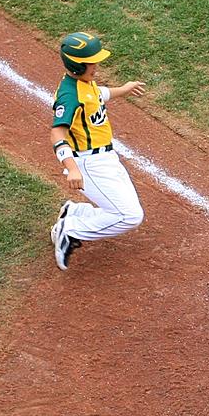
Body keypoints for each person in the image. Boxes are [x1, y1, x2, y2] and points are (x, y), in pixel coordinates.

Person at [49, 31, 146, 270]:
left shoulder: (84, 84)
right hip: (88, 164)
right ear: (78, 65)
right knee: (130, 216)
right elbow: (57, 133)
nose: (97, 64)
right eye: (92, 61)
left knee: (124, 208)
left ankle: (75, 212)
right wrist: (71, 169)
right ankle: (70, 230)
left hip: (107, 158)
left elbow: (98, 95)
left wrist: (124, 89)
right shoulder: (70, 95)